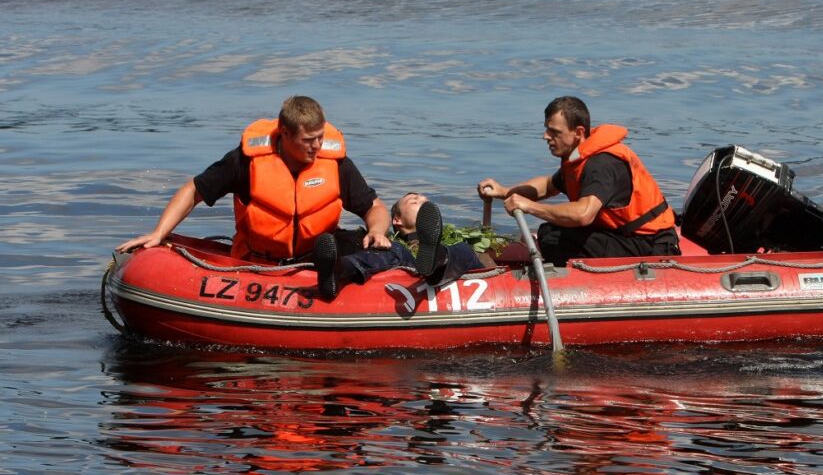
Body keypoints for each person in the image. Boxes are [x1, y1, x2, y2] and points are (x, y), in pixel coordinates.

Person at [116, 95, 393, 264]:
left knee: (360, 245)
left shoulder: (336, 164)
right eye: (309, 140)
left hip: (314, 261)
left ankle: (337, 274)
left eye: (320, 137)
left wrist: (377, 230)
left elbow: (374, 208)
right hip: (257, 266)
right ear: (284, 133)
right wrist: (159, 233)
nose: (317, 146)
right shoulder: (246, 162)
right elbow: (194, 190)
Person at [477, 96, 680, 265]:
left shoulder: (602, 165)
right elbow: (547, 186)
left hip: (649, 244)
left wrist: (529, 207)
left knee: (552, 237)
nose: (545, 136)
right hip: (622, 236)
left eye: (554, 132)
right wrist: (504, 191)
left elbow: (583, 214)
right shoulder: (577, 159)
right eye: (547, 129)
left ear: (578, 133)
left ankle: (565, 280)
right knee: (551, 231)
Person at [313, 193, 496, 300]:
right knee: (393, 250)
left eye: (426, 201)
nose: (422, 201)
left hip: (445, 261)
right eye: (414, 201)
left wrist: (487, 204)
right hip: (408, 260)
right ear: (397, 220)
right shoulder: (394, 244)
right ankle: (338, 269)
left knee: (464, 249)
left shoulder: (454, 242)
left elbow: (487, 263)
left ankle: (436, 258)